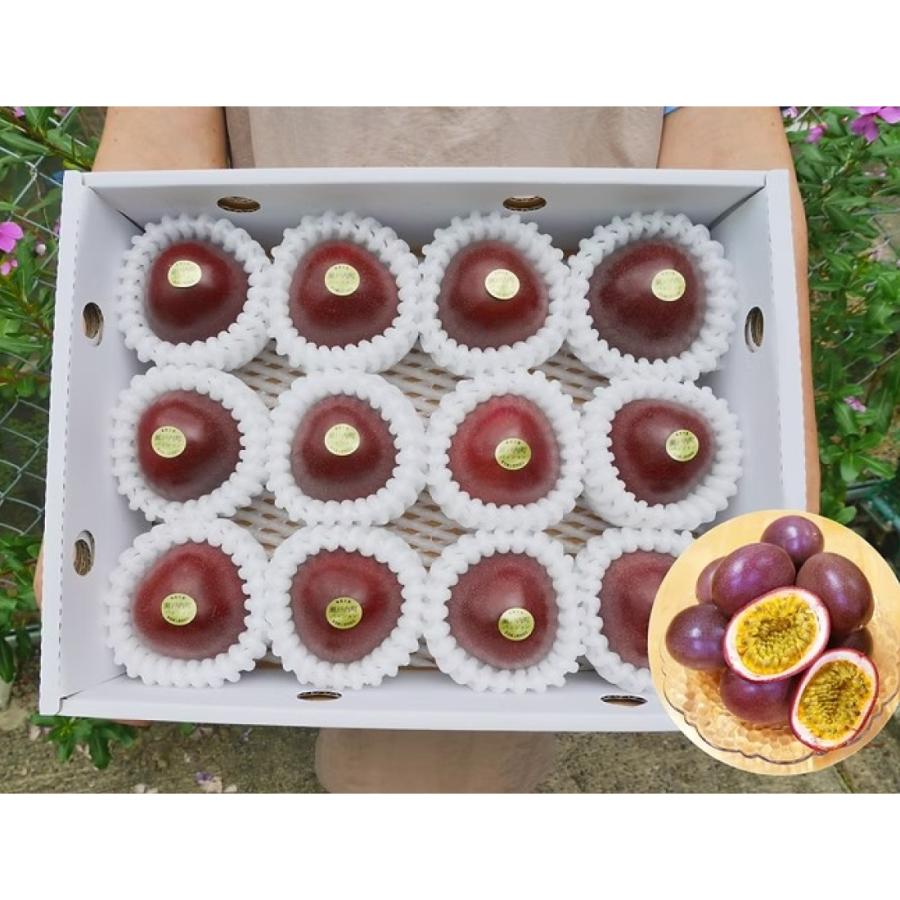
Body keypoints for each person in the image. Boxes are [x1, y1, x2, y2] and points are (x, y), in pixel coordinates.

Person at [35, 106, 817, 792]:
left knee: (454, 770)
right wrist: (73, 514)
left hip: (573, 250)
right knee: (390, 771)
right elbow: (161, 131)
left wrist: (790, 460)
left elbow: (729, 149)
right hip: (312, 186)